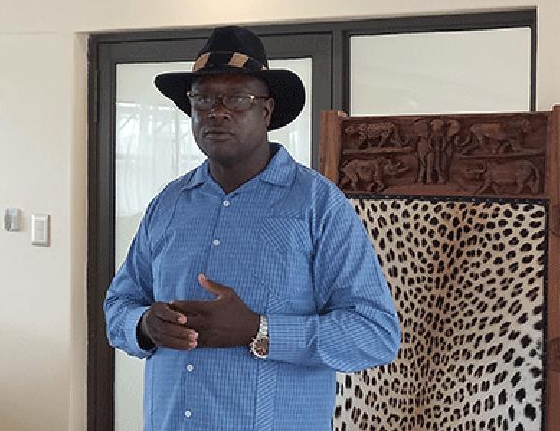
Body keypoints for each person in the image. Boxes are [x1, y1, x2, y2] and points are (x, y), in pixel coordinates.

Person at [104, 25, 401, 431]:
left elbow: (375, 333)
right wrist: (143, 325)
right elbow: (119, 304)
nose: (217, 111)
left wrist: (259, 330)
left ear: (267, 110)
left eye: (238, 98)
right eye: (203, 98)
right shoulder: (169, 204)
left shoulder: (318, 204)